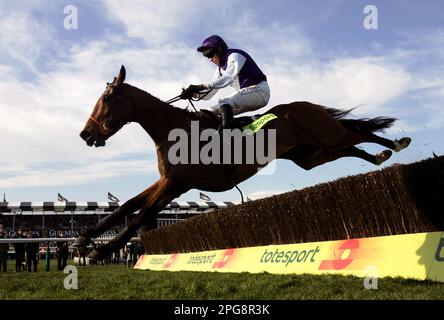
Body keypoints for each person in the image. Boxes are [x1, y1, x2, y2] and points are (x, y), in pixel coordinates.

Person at [182, 35, 270, 130]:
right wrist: (193, 94)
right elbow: (210, 93)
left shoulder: (235, 55)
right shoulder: (219, 70)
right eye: (207, 56)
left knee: (224, 101)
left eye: (211, 54)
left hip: (260, 91)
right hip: (247, 95)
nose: (210, 59)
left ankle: (226, 134)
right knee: (210, 112)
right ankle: (245, 124)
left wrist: (201, 86)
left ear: (219, 49)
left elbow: (228, 78)